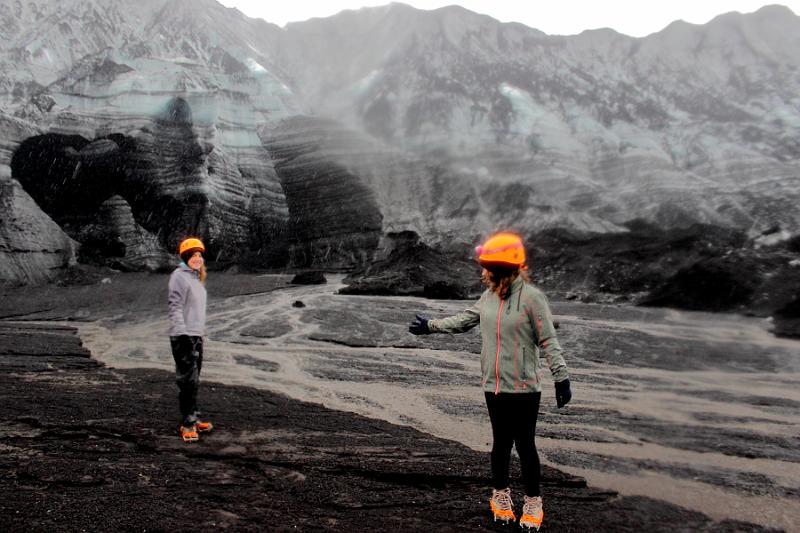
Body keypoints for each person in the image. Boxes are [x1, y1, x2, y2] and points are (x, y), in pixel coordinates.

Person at [408, 232, 571, 531]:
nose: (482, 272)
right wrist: (430, 326)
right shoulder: (488, 297)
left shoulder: (533, 299)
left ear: (501, 267)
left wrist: (561, 377)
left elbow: (548, 340)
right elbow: (462, 320)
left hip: (524, 387)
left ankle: (533, 502)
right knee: (500, 443)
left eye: (487, 267)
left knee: (525, 446)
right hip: (493, 386)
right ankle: (500, 497)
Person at [168, 237, 213, 442]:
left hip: (196, 334)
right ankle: (187, 424)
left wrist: (200, 333)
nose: (197, 258)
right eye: (193, 255)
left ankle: (194, 417)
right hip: (183, 335)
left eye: (200, 255)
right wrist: (183, 333)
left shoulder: (196, 278)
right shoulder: (179, 276)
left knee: (194, 379)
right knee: (187, 380)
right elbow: (175, 306)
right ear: (186, 257)